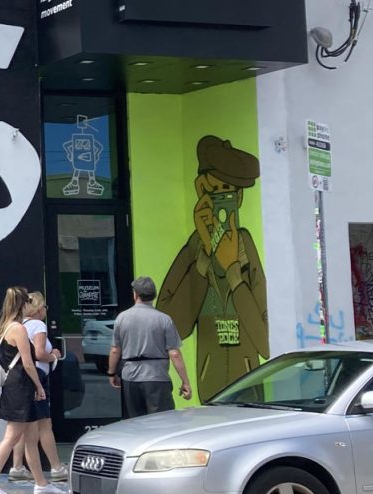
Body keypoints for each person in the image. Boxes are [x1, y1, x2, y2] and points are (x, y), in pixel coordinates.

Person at [157, 136, 269, 396]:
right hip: (210, 383)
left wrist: (234, 276)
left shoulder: (245, 244)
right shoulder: (195, 247)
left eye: (227, 192)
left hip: (248, 378)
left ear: (239, 197)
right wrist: (202, 263)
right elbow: (174, 327)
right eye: (211, 192)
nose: (220, 200)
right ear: (200, 191)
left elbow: (265, 343)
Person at [0, 287, 67, 494]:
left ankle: (41, 483)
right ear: (23, 304)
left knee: (30, 436)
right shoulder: (18, 328)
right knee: (12, 436)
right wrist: (38, 386)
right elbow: (28, 363)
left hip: (16, 386)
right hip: (20, 386)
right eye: (28, 300)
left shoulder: (7, 326)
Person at [109, 276, 191, 417]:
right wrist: (185, 382)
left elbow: (115, 350)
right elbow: (175, 353)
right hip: (157, 377)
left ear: (135, 294)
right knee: (161, 423)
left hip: (130, 377)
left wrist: (112, 373)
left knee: (135, 423)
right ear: (153, 295)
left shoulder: (122, 318)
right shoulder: (164, 319)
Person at [10, 291, 66, 482]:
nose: (45, 311)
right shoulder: (38, 325)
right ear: (39, 308)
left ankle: (17, 466)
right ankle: (56, 467)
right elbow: (40, 354)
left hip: (20, 380)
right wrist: (55, 356)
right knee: (44, 424)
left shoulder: (19, 326)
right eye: (45, 307)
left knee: (22, 425)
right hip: (37, 377)